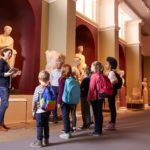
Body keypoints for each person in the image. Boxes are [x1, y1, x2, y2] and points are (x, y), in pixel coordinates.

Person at [0, 48, 21, 131]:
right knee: (5, 104)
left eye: (11, 53)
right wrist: (8, 73)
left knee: (4, 104)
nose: (10, 55)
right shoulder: (1, 62)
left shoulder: (6, 63)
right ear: (4, 53)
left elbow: (7, 75)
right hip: (2, 86)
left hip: (7, 86)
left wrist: (14, 74)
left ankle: (2, 123)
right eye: (9, 53)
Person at [31, 70, 52, 147]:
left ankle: (39, 141)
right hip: (47, 110)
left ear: (39, 79)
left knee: (39, 126)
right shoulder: (49, 87)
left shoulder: (38, 88)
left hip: (39, 111)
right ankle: (46, 140)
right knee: (46, 125)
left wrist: (33, 110)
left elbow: (35, 100)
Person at [87, 61, 104, 136]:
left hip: (95, 98)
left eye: (91, 66)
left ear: (94, 67)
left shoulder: (93, 76)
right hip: (101, 97)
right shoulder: (101, 75)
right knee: (100, 113)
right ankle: (99, 130)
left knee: (96, 114)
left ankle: (97, 131)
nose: (90, 67)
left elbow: (91, 89)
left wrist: (88, 98)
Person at [104, 57, 118, 130]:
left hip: (111, 92)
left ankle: (112, 123)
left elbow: (115, 81)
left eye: (106, 64)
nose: (105, 65)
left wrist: (109, 84)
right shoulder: (110, 72)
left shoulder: (112, 72)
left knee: (112, 108)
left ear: (110, 65)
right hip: (110, 92)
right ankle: (112, 122)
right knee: (111, 107)